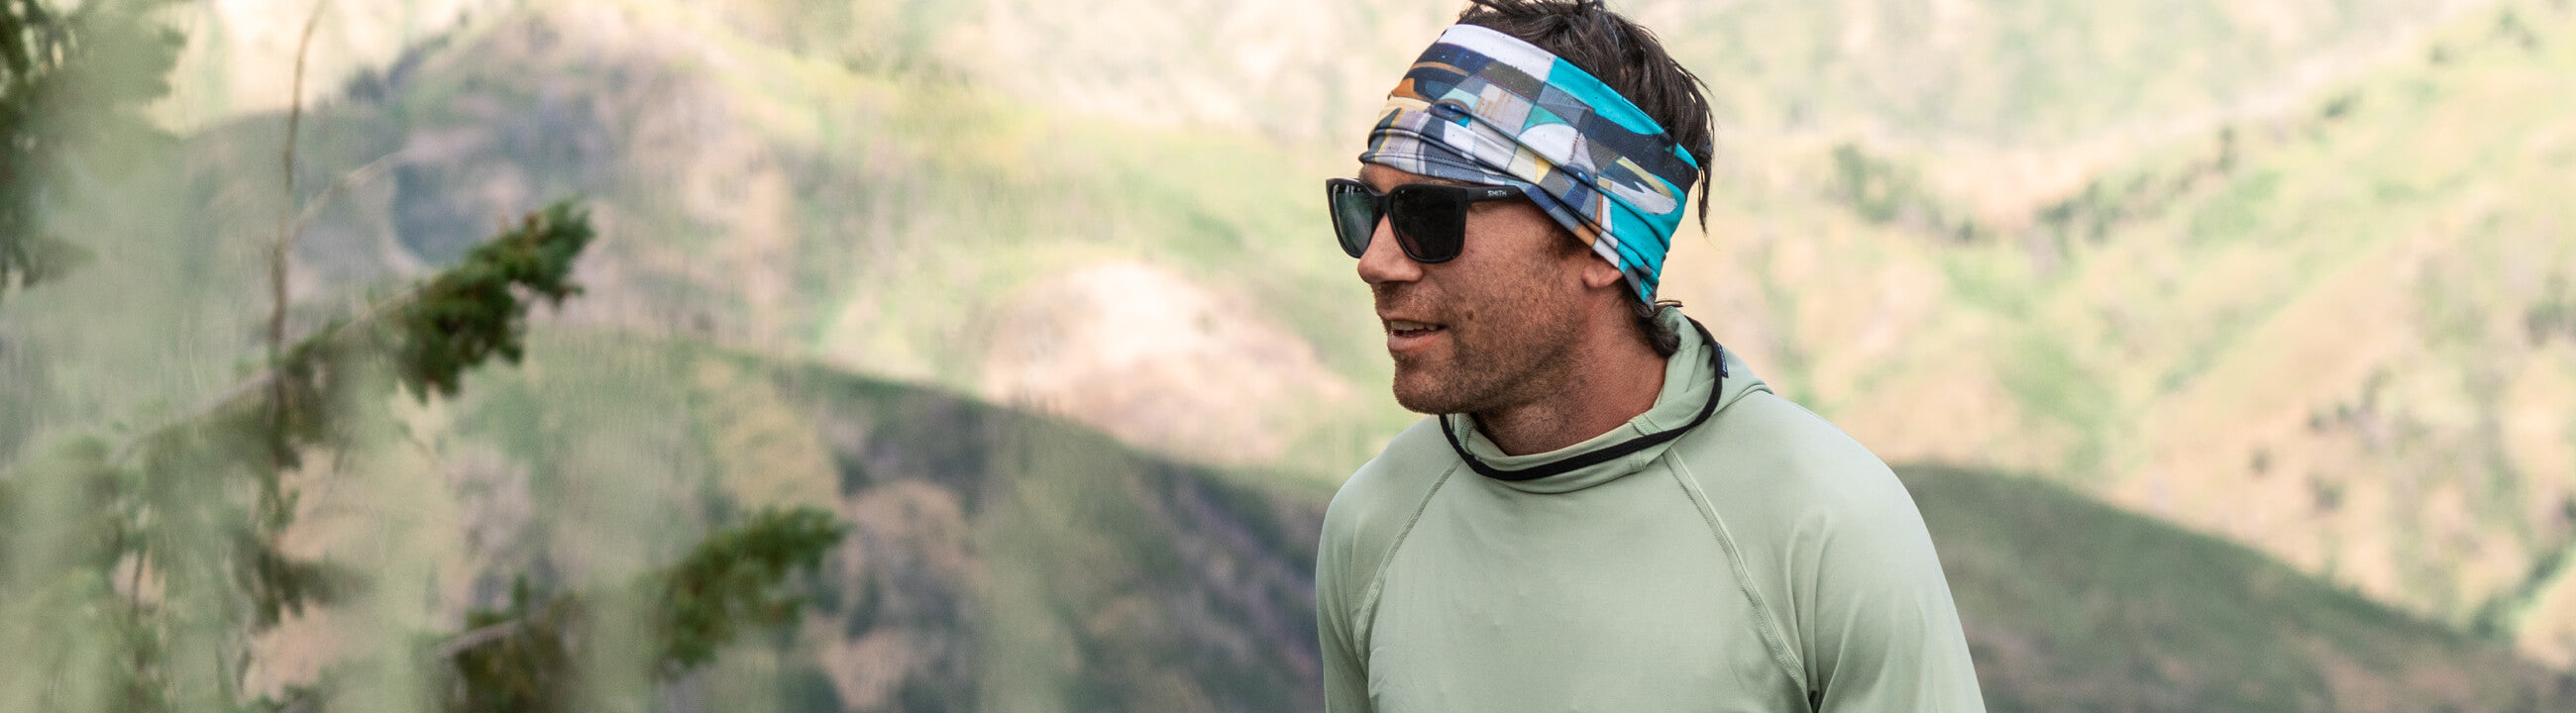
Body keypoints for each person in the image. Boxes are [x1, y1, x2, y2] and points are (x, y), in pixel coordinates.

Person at [1312, 1, 1987, 710]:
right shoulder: (1372, 524)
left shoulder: (1828, 528)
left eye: (1429, 217)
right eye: (1365, 209)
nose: (1377, 261)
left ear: (1598, 245)